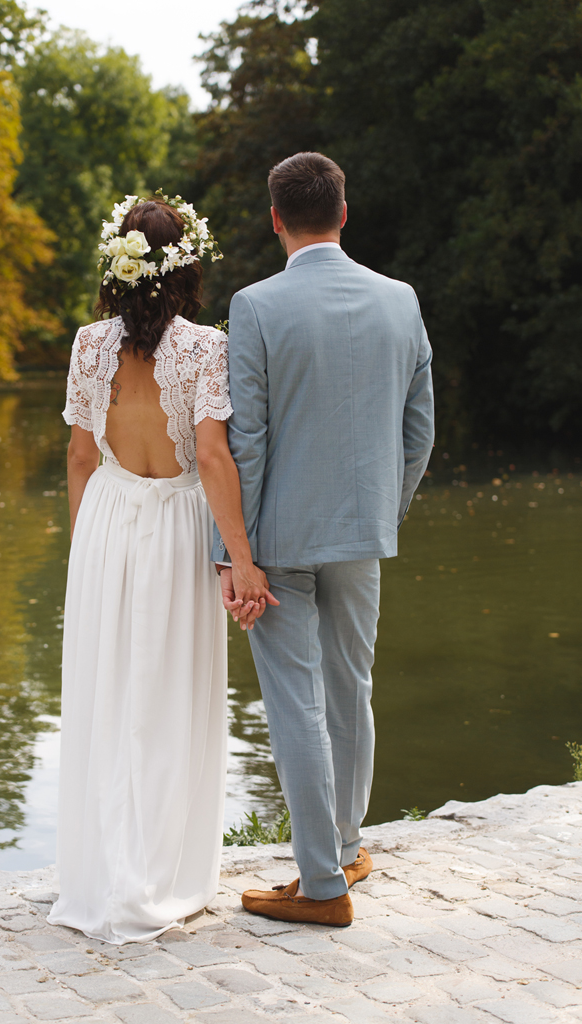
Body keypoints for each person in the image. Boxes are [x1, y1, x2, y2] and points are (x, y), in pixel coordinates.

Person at [48, 193, 275, 944]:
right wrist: (240, 560)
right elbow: (211, 458)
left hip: (109, 523)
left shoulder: (87, 345)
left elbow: (82, 458)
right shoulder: (206, 347)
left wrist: (84, 559)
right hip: (179, 525)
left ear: (117, 266)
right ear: (187, 266)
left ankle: (104, 874)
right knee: (171, 695)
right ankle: (160, 873)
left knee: (109, 695)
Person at [216, 152, 435, 926]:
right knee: (350, 688)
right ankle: (344, 847)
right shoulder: (400, 299)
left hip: (276, 540)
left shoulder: (254, 306)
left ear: (275, 218)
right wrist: (384, 509)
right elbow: (418, 431)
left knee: (295, 706)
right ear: (344, 212)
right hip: (361, 529)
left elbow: (247, 440)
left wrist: (231, 553)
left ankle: (320, 886)